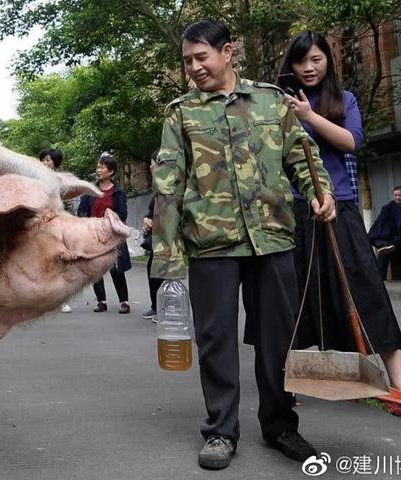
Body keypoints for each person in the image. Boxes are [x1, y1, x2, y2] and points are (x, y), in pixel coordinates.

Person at [151, 20, 336, 470]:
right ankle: (220, 431)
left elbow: (301, 153)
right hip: (210, 244)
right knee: (216, 341)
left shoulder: (270, 99)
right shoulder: (181, 113)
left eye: (202, 58)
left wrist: (321, 191)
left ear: (228, 51)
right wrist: (167, 255)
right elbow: (168, 185)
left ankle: (279, 426)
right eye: (187, 61)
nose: (194, 68)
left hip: (271, 237)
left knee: (277, 338)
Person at [280, 31, 401, 392]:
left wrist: (310, 116)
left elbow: (352, 141)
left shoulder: (343, 99)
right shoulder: (280, 105)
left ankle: (396, 383)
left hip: (343, 208)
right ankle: (290, 384)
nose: (309, 67)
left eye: (316, 59)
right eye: (301, 61)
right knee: (296, 294)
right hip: (298, 210)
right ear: (292, 65)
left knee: (367, 289)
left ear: (328, 60)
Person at [78, 152, 131, 314]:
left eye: (102, 167)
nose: (98, 170)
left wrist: (110, 218)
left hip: (112, 235)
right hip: (94, 235)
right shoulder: (90, 191)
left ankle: (124, 301)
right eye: (98, 167)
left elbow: (123, 214)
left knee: (116, 269)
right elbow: (82, 211)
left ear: (111, 171)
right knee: (96, 269)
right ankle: (101, 301)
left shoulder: (118, 192)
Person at [39, 147, 74, 313]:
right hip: (40, 226)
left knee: (61, 262)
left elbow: (69, 204)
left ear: (55, 162)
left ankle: (63, 299)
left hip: (58, 225)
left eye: (48, 159)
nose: (45, 162)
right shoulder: (35, 179)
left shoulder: (61, 181)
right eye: (43, 159)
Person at [141, 149, 163, 322]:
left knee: (161, 273)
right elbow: (151, 210)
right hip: (156, 238)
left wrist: (154, 221)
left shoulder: (169, 186)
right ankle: (156, 306)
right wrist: (147, 220)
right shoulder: (158, 186)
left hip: (165, 237)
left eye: (152, 162)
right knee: (152, 270)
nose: (150, 166)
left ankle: (163, 308)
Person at [369, 186, 401, 280]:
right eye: (396, 195)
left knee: (387, 247)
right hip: (391, 237)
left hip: (398, 238)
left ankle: (387, 245)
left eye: (400, 195)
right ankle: (380, 280)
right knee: (384, 251)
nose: (398, 197)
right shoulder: (388, 208)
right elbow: (381, 223)